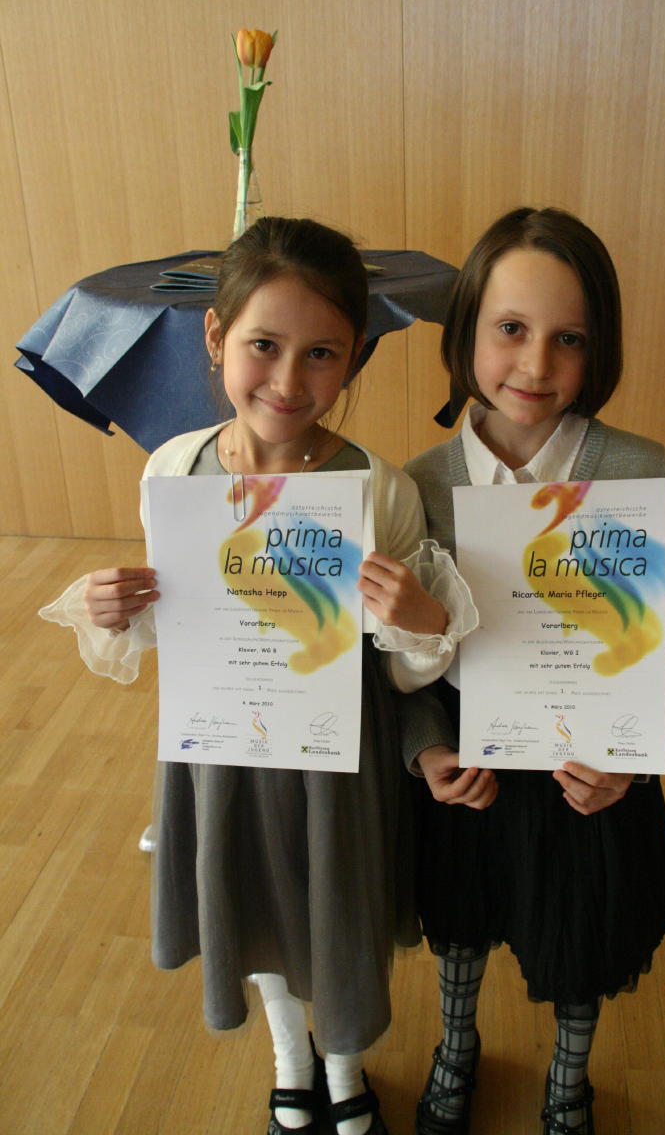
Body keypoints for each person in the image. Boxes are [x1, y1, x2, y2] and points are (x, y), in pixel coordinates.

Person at [40, 216, 477, 1135]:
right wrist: (115, 608)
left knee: (335, 908)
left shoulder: (381, 489)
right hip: (222, 745)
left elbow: (405, 675)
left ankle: (345, 1065)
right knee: (253, 900)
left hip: (338, 754)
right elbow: (181, 622)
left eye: (321, 354)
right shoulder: (176, 467)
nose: (287, 381)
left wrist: (421, 622)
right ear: (215, 337)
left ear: (354, 358)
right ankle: (291, 1059)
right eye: (263, 346)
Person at [403, 207, 665, 1135]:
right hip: (470, 767)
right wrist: (425, 751)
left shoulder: (637, 469)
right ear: (465, 333)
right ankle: (456, 1047)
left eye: (568, 338)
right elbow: (395, 652)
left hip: (592, 774)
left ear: (597, 347)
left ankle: (568, 1081)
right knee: (461, 921)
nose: (535, 364)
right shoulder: (418, 483)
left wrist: (634, 754)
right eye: (510, 328)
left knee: (584, 934)